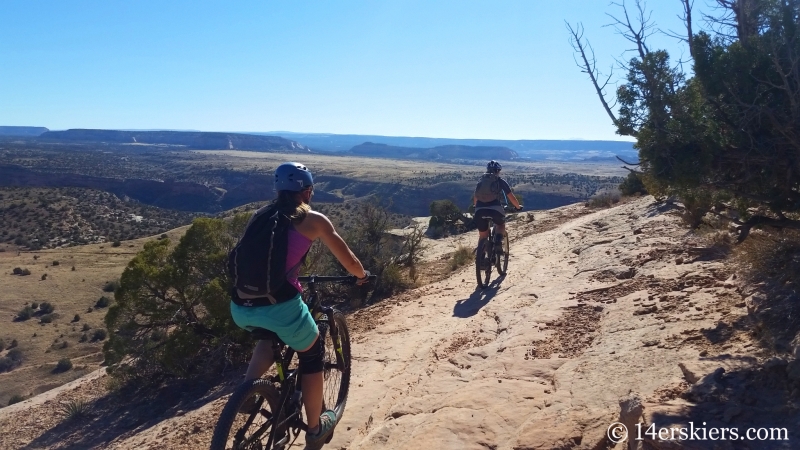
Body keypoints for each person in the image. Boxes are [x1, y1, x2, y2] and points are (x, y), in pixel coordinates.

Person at [230, 162, 370, 449]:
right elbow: (349, 261)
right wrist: (361, 276)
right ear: (307, 191)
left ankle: (249, 392)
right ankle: (316, 428)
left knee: (271, 337)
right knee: (312, 353)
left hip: (241, 307)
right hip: (279, 305)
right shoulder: (314, 220)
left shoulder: (261, 215)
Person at [472, 160, 522, 264]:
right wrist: (517, 207)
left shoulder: (481, 181)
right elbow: (511, 197)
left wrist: (476, 208)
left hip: (480, 209)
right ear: (498, 171)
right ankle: (498, 242)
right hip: (495, 209)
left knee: (483, 236)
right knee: (500, 225)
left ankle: (481, 259)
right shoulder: (500, 181)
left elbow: (475, 197)